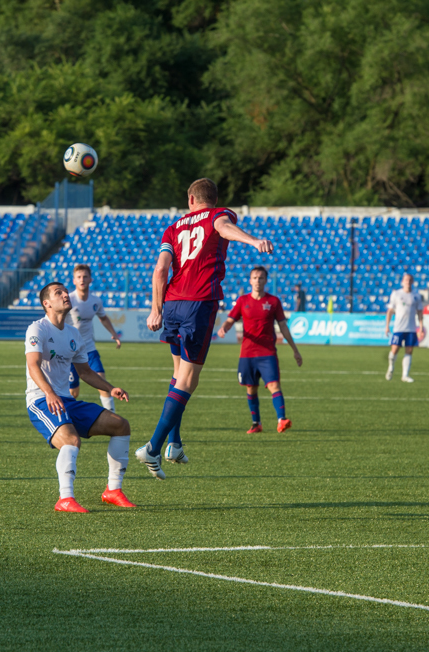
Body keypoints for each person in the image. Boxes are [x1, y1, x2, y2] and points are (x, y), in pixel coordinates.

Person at [138, 178, 275, 479]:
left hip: (172, 304)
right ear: (213, 199)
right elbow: (223, 228)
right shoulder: (217, 215)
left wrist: (155, 309)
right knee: (188, 381)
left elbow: (161, 269)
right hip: (199, 303)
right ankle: (153, 448)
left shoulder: (173, 228)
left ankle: (174, 444)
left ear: (190, 200)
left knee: (177, 376)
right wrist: (252, 241)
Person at [25, 281, 136, 513]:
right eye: (58, 293)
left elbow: (84, 372)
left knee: (120, 425)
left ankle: (113, 490)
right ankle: (65, 499)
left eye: (65, 291)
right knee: (71, 440)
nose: (66, 294)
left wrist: (109, 387)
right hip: (40, 400)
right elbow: (33, 365)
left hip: (66, 400)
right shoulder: (38, 329)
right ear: (46, 303)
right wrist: (49, 393)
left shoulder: (74, 334)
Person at [218, 266, 303, 434]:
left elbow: (283, 327)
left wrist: (295, 349)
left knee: (274, 385)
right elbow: (230, 319)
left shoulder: (273, 302)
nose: (258, 281)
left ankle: (281, 419)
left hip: (267, 354)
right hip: (247, 354)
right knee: (251, 389)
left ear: (266, 281)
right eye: (255, 278)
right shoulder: (243, 301)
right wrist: (224, 328)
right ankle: (256, 423)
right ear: (250, 280)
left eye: (261, 278)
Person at [67, 264, 122, 412]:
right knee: (73, 393)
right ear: (74, 280)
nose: (82, 279)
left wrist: (114, 334)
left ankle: (112, 418)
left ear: (90, 279)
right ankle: (67, 422)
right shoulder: (68, 300)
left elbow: (103, 318)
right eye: (79, 277)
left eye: (85, 276)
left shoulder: (96, 301)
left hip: (89, 349)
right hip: (70, 352)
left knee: (102, 383)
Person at [384, 273, 425, 383]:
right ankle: (391, 368)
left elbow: (420, 312)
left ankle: (405, 375)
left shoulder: (416, 296)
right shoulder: (396, 294)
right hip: (398, 328)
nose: (408, 281)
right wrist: (387, 326)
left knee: (409, 351)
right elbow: (390, 311)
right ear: (402, 281)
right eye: (406, 279)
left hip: (411, 328)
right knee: (394, 350)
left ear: (412, 282)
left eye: (410, 280)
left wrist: (420, 327)